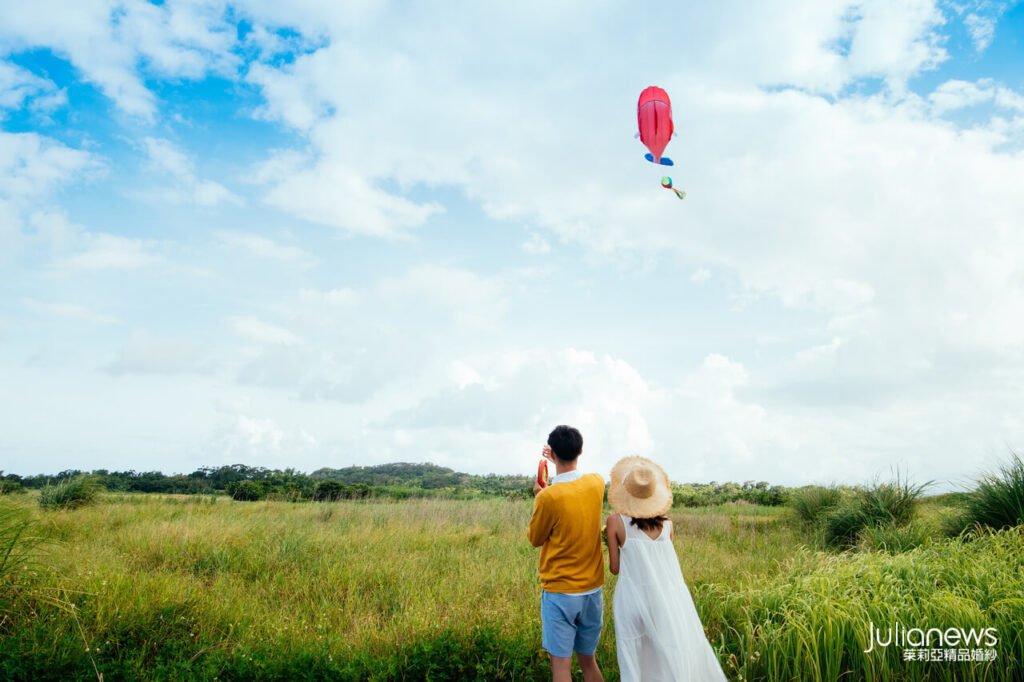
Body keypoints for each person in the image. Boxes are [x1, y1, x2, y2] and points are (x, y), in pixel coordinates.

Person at [605, 456, 727, 682]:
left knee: (634, 656)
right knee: (664, 655)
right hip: (664, 598)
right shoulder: (668, 524)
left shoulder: (614, 522)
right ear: (653, 495)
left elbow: (614, 568)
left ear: (626, 493)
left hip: (631, 599)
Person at [527, 425, 606, 682]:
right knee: (589, 663)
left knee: (561, 669)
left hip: (560, 592)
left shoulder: (548, 497)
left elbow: (535, 539)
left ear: (552, 453)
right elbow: (575, 484)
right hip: (592, 591)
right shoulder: (596, 483)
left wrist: (540, 496)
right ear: (581, 450)